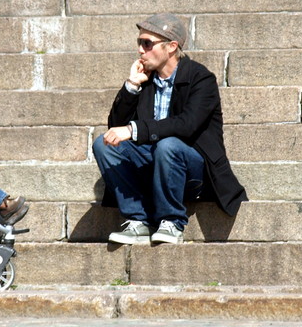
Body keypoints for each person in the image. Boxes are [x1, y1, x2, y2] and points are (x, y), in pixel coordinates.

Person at [92, 13, 247, 245]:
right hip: (154, 164)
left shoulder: (200, 78)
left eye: (147, 43)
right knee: (103, 143)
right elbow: (116, 128)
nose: (140, 50)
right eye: (139, 43)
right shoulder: (146, 81)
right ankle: (137, 222)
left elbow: (186, 125)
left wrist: (134, 130)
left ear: (171, 47)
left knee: (169, 145)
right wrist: (132, 85)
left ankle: (172, 221)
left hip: (193, 169)